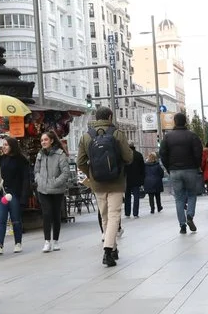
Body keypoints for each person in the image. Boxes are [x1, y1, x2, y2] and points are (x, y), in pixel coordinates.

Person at [79, 106, 134, 268]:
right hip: (116, 181)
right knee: (114, 215)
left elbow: (80, 162)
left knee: (104, 215)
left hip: (97, 183)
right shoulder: (117, 134)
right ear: (110, 117)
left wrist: (91, 174)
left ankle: (112, 248)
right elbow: (128, 157)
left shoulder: (86, 136)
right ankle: (108, 250)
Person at [160, 112, 205, 234]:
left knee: (179, 198)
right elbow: (198, 153)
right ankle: (190, 215)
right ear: (185, 122)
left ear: (174, 121)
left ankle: (182, 225)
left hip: (174, 170)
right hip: (190, 169)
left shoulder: (168, 137)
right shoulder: (192, 136)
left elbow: (162, 153)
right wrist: (196, 166)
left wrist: (169, 167)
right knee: (191, 194)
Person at [0, 137, 28, 255]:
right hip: (1, 194)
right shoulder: (0, 159)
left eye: (6, 145)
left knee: (16, 220)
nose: (3, 147)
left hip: (15, 193)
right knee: (1, 220)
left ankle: (18, 243)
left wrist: (24, 196)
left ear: (12, 146)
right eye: (3, 145)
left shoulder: (21, 160)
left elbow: (26, 179)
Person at [33, 131, 70, 252]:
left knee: (55, 214)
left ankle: (56, 240)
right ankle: (47, 241)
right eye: (42, 140)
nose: (43, 142)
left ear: (52, 140)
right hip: (43, 189)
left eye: (46, 140)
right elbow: (36, 170)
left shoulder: (60, 155)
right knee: (46, 214)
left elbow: (65, 173)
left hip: (56, 189)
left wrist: (55, 183)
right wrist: (39, 180)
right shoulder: (40, 155)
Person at [123, 142, 145, 218]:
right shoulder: (138, 155)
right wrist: (142, 179)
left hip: (127, 179)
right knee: (136, 196)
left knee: (127, 197)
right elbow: (143, 168)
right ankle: (135, 213)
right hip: (136, 179)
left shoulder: (124, 156)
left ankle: (127, 213)